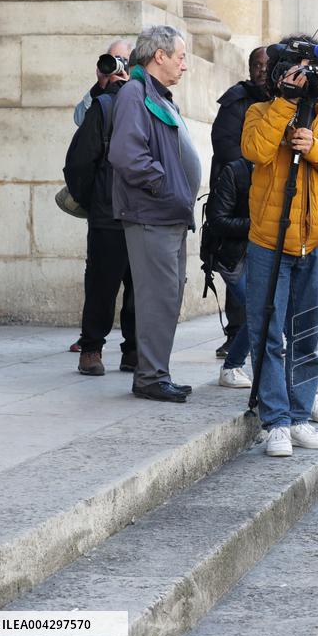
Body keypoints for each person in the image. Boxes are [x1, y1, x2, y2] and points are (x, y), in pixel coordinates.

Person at [241, 33, 318, 456]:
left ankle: (299, 414)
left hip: (316, 242)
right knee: (269, 334)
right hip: (267, 243)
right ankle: (275, 421)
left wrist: (315, 149)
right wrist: (286, 104)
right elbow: (255, 151)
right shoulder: (260, 111)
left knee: (306, 335)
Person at [109, 25, 200, 403]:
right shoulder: (134, 92)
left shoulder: (159, 96)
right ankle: (150, 377)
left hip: (167, 214)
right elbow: (127, 154)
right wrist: (164, 185)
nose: (185, 65)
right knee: (156, 297)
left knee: (167, 296)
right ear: (158, 55)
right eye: (180, 56)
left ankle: (155, 371)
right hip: (152, 213)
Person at [64, 41, 137, 377]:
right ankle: (91, 349)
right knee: (101, 286)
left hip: (142, 215)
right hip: (108, 214)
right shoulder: (102, 104)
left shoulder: (153, 104)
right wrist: (94, 201)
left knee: (140, 288)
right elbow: (78, 162)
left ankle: (134, 352)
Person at [210, 46, 269, 362]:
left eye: (266, 65)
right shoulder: (236, 100)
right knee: (237, 265)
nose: (261, 70)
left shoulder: (280, 100)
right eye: (256, 65)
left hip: (269, 201)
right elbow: (226, 146)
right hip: (239, 199)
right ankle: (235, 336)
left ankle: (256, 337)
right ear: (249, 69)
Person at [206, 157, 253, 389]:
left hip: (262, 255)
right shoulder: (235, 171)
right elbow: (217, 220)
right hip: (234, 257)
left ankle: (234, 366)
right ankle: (231, 367)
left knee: (267, 312)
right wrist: (257, 225)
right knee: (259, 312)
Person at [74, 39, 133, 127]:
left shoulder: (138, 89)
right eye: (113, 59)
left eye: (121, 60)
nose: (116, 65)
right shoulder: (103, 88)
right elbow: (79, 119)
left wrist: (127, 86)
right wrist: (100, 86)